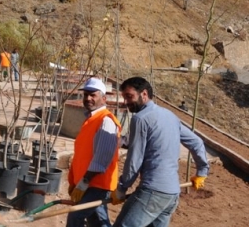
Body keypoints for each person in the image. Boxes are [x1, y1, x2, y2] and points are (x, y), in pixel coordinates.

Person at [111, 77, 209, 227]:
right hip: (171, 194)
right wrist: (201, 172)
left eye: (129, 96)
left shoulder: (140, 119)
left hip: (153, 193)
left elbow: (134, 160)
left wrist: (122, 188)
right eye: (124, 97)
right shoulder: (170, 116)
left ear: (144, 94)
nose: (126, 102)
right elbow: (196, 142)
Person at [67, 77, 121, 227]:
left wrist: (82, 184)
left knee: (75, 215)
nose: (88, 98)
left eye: (93, 95)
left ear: (103, 98)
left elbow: (101, 160)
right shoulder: (91, 120)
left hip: (97, 184)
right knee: (97, 221)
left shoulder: (106, 121)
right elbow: (81, 155)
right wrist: (74, 181)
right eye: (86, 95)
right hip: (87, 183)